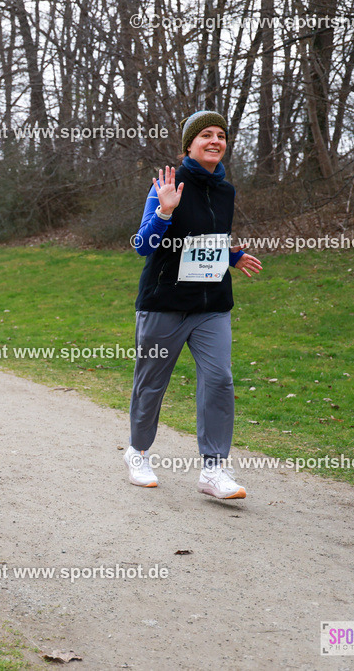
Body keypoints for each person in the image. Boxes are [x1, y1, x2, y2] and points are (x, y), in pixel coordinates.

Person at [124, 111, 263, 500]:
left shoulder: (226, 191)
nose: (215, 140)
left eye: (220, 135)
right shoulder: (168, 184)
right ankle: (138, 453)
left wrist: (232, 257)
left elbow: (207, 239)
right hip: (164, 303)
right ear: (190, 144)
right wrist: (164, 211)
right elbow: (143, 246)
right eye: (206, 135)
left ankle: (214, 470)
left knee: (219, 380)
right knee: (151, 384)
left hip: (211, 305)